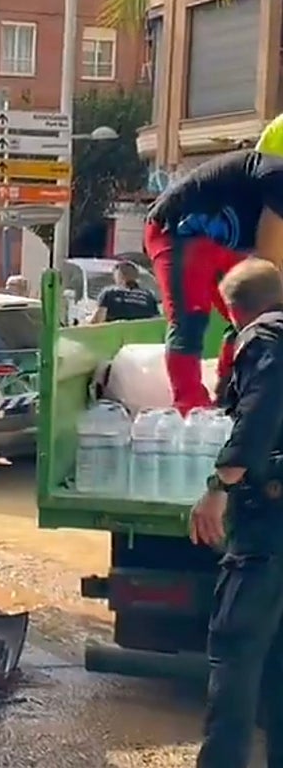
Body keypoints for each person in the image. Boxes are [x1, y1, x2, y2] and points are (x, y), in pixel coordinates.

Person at [190, 258, 283, 768]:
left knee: (236, 652)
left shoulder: (264, 338)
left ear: (234, 310)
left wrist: (218, 486)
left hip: (268, 528)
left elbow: (260, 412)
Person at [143, 148, 283, 413]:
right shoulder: (280, 180)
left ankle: (229, 398)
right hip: (177, 228)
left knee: (250, 314)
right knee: (191, 318)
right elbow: (267, 266)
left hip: (219, 243)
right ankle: (190, 409)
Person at [88, 261, 159, 324]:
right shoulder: (148, 295)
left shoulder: (109, 293)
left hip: (115, 336)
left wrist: (87, 320)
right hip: (143, 336)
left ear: (118, 276)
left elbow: (98, 320)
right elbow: (155, 320)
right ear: (136, 276)